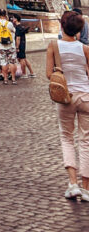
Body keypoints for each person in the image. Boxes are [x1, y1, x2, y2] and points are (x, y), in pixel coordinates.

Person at [46, 10, 89, 201]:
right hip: (86, 96)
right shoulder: (85, 48)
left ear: (62, 26)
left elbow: (49, 74)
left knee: (66, 138)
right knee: (86, 141)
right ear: (79, 30)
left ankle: (73, 184)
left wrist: (60, 70)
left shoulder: (54, 45)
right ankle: (87, 188)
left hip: (66, 98)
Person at [0, 9, 17, 85]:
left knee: (3, 62)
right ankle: (13, 78)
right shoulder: (9, 23)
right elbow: (14, 30)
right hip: (11, 45)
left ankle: (5, 79)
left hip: (1, 46)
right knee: (12, 62)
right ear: (5, 14)